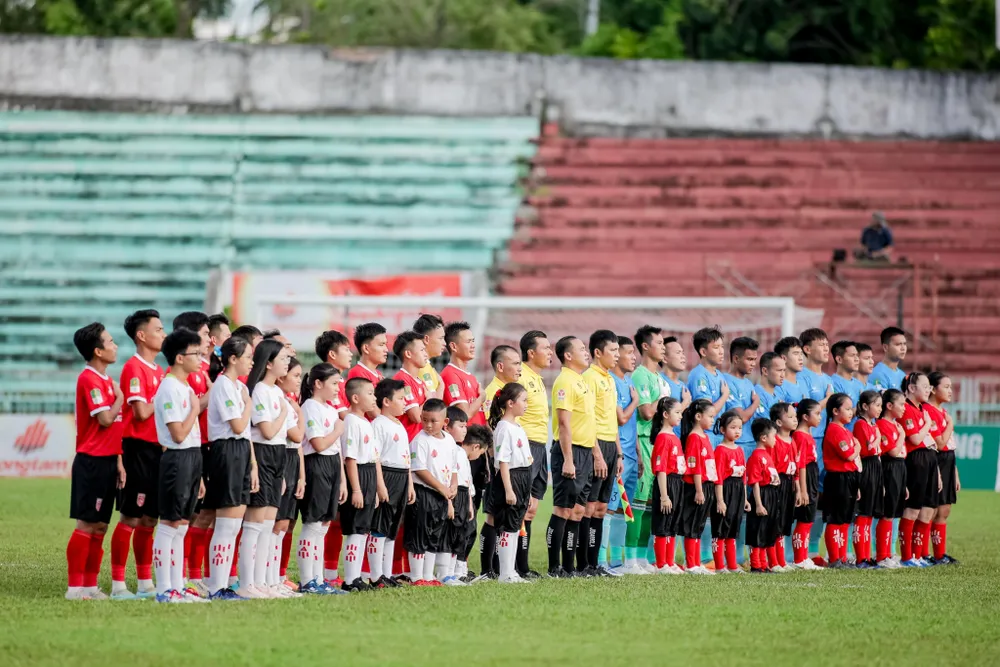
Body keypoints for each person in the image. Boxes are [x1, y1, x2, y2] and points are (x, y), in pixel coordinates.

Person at [66, 322, 125, 601]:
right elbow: (104, 419)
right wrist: (121, 399)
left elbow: (114, 428)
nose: (115, 346)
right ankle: (74, 588)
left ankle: (90, 586)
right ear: (98, 350)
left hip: (108, 461)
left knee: (101, 525)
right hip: (91, 461)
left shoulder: (105, 380)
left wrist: (119, 461)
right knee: (86, 524)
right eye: (111, 342)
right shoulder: (88, 379)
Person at [110, 309, 165, 600]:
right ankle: (119, 584)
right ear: (142, 335)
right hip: (137, 449)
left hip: (157, 450)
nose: (163, 333)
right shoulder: (134, 368)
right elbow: (141, 412)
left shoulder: (159, 371)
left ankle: (145, 582)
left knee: (149, 520)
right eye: (158, 329)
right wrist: (163, 396)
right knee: (131, 516)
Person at [152, 327, 207, 603]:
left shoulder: (185, 386)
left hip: (192, 456)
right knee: (170, 523)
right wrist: (195, 410)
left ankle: (178, 585)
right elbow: (177, 434)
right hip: (177, 456)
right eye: (195, 353)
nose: (200, 357)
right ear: (178, 357)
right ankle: (164, 589)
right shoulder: (170, 387)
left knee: (183, 523)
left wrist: (199, 477)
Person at [203, 336, 257, 600]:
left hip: (241, 451)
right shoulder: (224, 385)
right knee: (225, 524)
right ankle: (216, 586)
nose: (252, 362)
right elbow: (237, 426)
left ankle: (223, 584)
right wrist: (248, 405)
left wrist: (253, 465)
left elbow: (244, 432)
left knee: (234, 524)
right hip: (226, 450)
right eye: (248, 357)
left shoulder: (238, 387)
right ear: (233, 359)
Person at [239, 339, 290, 599]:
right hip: (263, 452)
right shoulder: (259, 390)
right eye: (282, 358)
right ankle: (247, 583)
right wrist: (283, 412)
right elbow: (268, 431)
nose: (287, 362)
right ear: (268, 363)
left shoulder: (278, 392)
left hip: (279, 454)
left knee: (269, 523)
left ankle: (264, 582)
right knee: (255, 523)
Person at [545, 335, 597, 578]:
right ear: (567, 355)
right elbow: (564, 423)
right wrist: (567, 458)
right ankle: (554, 567)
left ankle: (569, 567)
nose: (586, 352)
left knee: (577, 511)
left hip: (585, 452)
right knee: (562, 510)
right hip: (571, 451)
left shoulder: (581, 381)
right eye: (581, 349)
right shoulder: (564, 381)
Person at [296, 363, 347, 595]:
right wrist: (338, 429)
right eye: (334, 383)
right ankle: (308, 581)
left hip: (332, 465)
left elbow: (335, 448)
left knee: (324, 525)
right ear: (318, 383)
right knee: (313, 523)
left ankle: (318, 579)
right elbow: (318, 444)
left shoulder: (330, 409)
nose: (339, 388)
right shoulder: (310, 407)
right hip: (316, 464)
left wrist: (343, 480)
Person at [172, 311, 213, 595]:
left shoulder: (199, 372)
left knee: (200, 515)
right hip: (184, 450)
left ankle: (191, 575)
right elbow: (191, 413)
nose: (210, 339)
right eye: (206, 333)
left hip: (199, 449)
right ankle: (177, 579)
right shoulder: (180, 380)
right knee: (179, 520)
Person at [626, 325, 670, 575]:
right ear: (645, 346)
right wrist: (662, 400)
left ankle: (643, 558)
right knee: (639, 504)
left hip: (659, 444)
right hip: (643, 442)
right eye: (659, 342)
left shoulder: (658, 378)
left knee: (652, 505)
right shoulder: (641, 375)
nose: (663, 347)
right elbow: (647, 412)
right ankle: (630, 559)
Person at [580, 330, 621, 577]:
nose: (617, 355)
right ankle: (583, 563)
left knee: (602, 508)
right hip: (595, 446)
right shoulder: (589, 378)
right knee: (589, 506)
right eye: (613, 351)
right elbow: (588, 418)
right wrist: (596, 453)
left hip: (610, 446)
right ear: (598, 352)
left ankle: (595, 564)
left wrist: (617, 454)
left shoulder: (610, 378)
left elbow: (612, 420)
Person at [405, 399, 457, 586]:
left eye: (433, 421)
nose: (428, 425)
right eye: (424, 419)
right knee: (420, 533)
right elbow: (419, 469)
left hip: (441, 495)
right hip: (424, 492)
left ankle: (428, 575)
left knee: (434, 534)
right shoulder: (419, 441)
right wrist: (441, 487)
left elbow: (453, 467)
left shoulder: (449, 440)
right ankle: (416, 576)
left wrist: (452, 486)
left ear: (445, 422)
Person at [488, 383, 534, 584]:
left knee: (516, 525)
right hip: (511, 478)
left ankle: (511, 570)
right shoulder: (504, 428)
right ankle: (505, 573)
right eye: (523, 400)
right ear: (510, 403)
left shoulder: (517, 426)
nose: (526, 405)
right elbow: (503, 461)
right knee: (507, 525)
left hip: (523, 476)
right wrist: (508, 489)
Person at [370, 379, 413, 588]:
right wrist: (380, 484)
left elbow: (406, 459)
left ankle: (386, 574)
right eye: (401, 398)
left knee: (392, 527)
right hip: (387, 475)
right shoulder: (378, 424)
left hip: (402, 476)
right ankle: (376, 575)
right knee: (380, 525)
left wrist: (410, 484)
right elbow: (375, 456)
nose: (405, 402)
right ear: (386, 401)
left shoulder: (399, 424)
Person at [796, 328, 834, 560]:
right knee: (804, 495)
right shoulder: (801, 377)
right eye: (821, 344)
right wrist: (826, 401)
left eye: (827, 343)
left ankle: (812, 550)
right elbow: (802, 411)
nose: (826, 347)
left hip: (825, 445)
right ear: (807, 349)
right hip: (806, 442)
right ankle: (794, 551)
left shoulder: (828, 380)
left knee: (821, 497)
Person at [516, 330, 552, 577]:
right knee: (520, 507)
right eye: (546, 348)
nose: (550, 352)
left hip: (540, 445)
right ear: (531, 353)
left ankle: (523, 565)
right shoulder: (521, 377)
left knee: (532, 508)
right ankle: (512, 565)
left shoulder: (538, 379)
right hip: (526, 445)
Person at [339, 377, 380, 592]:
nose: (374, 398)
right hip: (358, 475)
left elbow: (372, 457)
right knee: (355, 530)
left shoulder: (366, 422)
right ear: (356, 398)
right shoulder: (351, 421)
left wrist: (373, 488)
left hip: (369, 474)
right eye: (370, 394)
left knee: (363, 529)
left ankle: (356, 577)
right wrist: (356, 489)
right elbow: (351, 459)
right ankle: (349, 579)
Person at [269, 358, 304, 597]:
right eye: (296, 375)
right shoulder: (282, 401)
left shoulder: (290, 402)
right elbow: (297, 434)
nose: (299, 381)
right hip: (280, 457)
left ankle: (277, 577)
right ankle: (268, 579)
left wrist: (301, 475)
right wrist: (299, 411)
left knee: (285, 523)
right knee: (275, 523)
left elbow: (298, 444)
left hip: (292, 459)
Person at [899, 372, 939, 567]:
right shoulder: (906, 408)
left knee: (927, 510)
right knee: (912, 509)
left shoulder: (923, 409)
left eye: (930, 386)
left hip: (930, 458)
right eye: (925, 386)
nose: (929, 390)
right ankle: (907, 557)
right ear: (912, 388)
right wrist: (927, 424)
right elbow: (915, 438)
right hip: (916, 460)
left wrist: (937, 471)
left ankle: (918, 554)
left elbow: (929, 440)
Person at [607, 336, 639, 571]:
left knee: (623, 508)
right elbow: (621, 418)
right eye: (629, 353)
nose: (633, 357)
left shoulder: (628, 380)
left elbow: (632, 424)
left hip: (631, 453)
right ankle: (601, 560)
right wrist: (636, 400)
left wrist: (637, 452)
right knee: (608, 507)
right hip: (617, 453)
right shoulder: (611, 381)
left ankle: (618, 562)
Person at [821, 393, 860, 569]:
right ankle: (834, 558)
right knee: (835, 519)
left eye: (852, 408)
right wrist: (857, 446)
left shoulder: (845, 429)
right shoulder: (834, 429)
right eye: (847, 408)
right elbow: (849, 454)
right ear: (835, 411)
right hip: (838, 478)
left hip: (849, 477)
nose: (851, 411)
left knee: (845, 519)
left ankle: (843, 557)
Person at [678, 399, 717, 575]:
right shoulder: (693, 438)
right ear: (698, 416)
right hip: (695, 488)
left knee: (699, 525)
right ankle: (691, 563)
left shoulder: (705, 436)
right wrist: (699, 490)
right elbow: (694, 465)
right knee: (692, 525)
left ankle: (696, 562)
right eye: (710, 416)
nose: (713, 420)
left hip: (706, 485)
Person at [925, 372, 959, 564]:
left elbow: (949, 444)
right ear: (933, 389)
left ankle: (939, 554)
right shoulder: (929, 411)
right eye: (945, 387)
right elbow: (939, 444)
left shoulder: (943, 412)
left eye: (950, 387)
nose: (950, 391)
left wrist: (955, 472)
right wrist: (950, 425)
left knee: (944, 510)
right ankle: (924, 553)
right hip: (936, 461)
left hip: (948, 462)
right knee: (931, 510)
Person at [649, 397, 684, 573]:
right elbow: (661, 469)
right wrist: (664, 496)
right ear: (665, 414)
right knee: (663, 523)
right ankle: (661, 564)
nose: (680, 416)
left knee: (672, 523)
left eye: (681, 413)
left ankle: (670, 562)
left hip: (677, 482)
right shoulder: (663, 438)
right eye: (677, 413)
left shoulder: (674, 437)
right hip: (667, 483)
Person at [711, 410, 748, 575]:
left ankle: (732, 565)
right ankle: (719, 566)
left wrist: (745, 499)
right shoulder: (720, 450)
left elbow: (744, 477)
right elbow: (718, 477)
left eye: (739, 428)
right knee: (721, 528)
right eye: (733, 427)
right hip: (725, 490)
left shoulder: (740, 450)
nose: (737, 431)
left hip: (738, 490)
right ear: (723, 430)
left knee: (733, 528)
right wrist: (720, 500)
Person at [876, 389, 907, 567]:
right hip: (889, 467)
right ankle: (882, 555)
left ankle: (888, 553)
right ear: (889, 406)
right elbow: (893, 451)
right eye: (901, 404)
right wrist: (902, 435)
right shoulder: (883, 425)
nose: (904, 408)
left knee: (895, 513)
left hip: (900, 467)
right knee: (887, 513)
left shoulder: (896, 424)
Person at [455, 425, 491, 582]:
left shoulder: (463, 456)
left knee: (470, 531)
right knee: (461, 533)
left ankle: (461, 570)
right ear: (476, 446)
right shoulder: (457, 454)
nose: (480, 456)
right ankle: (455, 571)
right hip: (458, 498)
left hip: (467, 498)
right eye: (481, 453)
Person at [852, 390, 883, 568]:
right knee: (863, 513)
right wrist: (877, 438)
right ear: (865, 406)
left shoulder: (873, 425)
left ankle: (867, 555)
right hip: (866, 467)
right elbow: (869, 449)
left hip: (875, 467)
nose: (879, 409)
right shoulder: (861, 425)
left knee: (870, 514)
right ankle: (860, 558)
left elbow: (879, 449)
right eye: (876, 405)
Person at [745, 419, 781, 574]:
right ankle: (756, 565)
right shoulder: (756, 456)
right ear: (763, 438)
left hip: (772, 495)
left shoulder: (767, 454)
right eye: (774, 436)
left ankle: (764, 564)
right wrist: (759, 504)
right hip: (762, 495)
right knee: (758, 530)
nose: (776, 439)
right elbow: (755, 482)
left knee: (768, 529)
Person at [791, 400, 823, 570]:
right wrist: (802, 490)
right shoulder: (800, 436)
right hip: (806, 477)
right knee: (804, 518)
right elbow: (800, 464)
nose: (820, 417)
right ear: (805, 416)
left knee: (809, 519)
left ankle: (803, 557)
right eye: (817, 414)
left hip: (811, 474)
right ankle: (799, 559)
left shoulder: (807, 434)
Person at [440, 407, 470, 584]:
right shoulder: (448, 448)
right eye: (460, 426)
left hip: (464, 495)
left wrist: (470, 504)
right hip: (452, 494)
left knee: (458, 534)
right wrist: (450, 501)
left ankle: (452, 573)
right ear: (447, 427)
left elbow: (466, 479)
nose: (465, 430)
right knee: (448, 534)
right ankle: (444, 573)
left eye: (466, 426)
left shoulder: (460, 450)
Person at [687, 327, 730, 443]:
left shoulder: (720, 375)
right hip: (706, 436)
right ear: (703, 352)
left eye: (722, 346)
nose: (721, 351)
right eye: (716, 347)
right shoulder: (699, 376)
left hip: (719, 435)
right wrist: (725, 395)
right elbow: (707, 413)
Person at [770, 402, 798, 571]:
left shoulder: (792, 440)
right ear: (779, 422)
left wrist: (798, 488)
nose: (794, 420)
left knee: (784, 522)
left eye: (795, 417)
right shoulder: (775, 442)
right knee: (775, 522)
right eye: (790, 417)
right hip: (777, 483)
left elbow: (795, 466)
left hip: (789, 483)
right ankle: (773, 561)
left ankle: (781, 561)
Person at [440, 321, 486, 426]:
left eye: (473, 341)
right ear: (454, 346)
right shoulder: (450, 375)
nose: (473, 345)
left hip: (479, 438)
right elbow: (464, 415)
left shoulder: (471, 377)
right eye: (468, 342)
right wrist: (481, 397)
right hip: (466, 440)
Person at [724, 337, 760, 460]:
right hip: (737, 444)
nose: (753, 364)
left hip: (751, 442)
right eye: (749, 359)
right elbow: (742, 417)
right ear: (736, 358)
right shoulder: (726, 381)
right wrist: (756, 402)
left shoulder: (748, 383)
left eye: (755, 360)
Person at [392, 330, 430, 441]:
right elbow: (417, 417)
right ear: (408, 354)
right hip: (408, 444)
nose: (426, 354)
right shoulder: (402, 379)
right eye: (422, 350)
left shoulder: (420, 381)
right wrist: (428, 399)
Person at [412, 313, 446, 399]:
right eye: (441, 338)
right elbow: (433, 407)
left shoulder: (427, 367)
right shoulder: (421, 369)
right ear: (426, 339)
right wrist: (441, 386)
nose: (444, 343)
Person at [831, 341, 864, 426]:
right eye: (852, 355)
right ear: (839, 359)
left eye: (857, 355)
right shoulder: (833, 383)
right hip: (843, 436)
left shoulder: (858, 383)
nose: (857, 359)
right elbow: (840, 415)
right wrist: (863, 406)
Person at [754, 352, 786, 427]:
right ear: (765, 371)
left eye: (784, 370)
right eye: (779, 370)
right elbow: (766, 426)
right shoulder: (757, 394)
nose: (782, 375)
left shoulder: (780, 393)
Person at [871, 327, 907, 392]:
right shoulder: (878, 374)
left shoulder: (903, 375)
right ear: (885, 347)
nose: (903, 348)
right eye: (898, 344)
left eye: (904, 344)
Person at [774, 336, 806, 405]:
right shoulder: (778, 386)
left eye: (801, 354)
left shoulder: (803, 382)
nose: (800, 358)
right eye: (796, 354)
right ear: (783, 358)